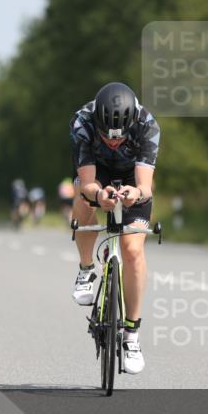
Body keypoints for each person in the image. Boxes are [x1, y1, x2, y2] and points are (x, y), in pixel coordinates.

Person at [69, 82, 159, 375]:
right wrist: (98, 195)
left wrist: (136, 193)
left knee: (132, 251)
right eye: (106, 135)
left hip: (133, 177)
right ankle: (86, 269)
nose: (112, 141)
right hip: (97, 174)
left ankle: (132, 335)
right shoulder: (83, 121)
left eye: (118, 137)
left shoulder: (147, 125)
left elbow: (145, 186)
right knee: (83, 197)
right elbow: (87, 181)